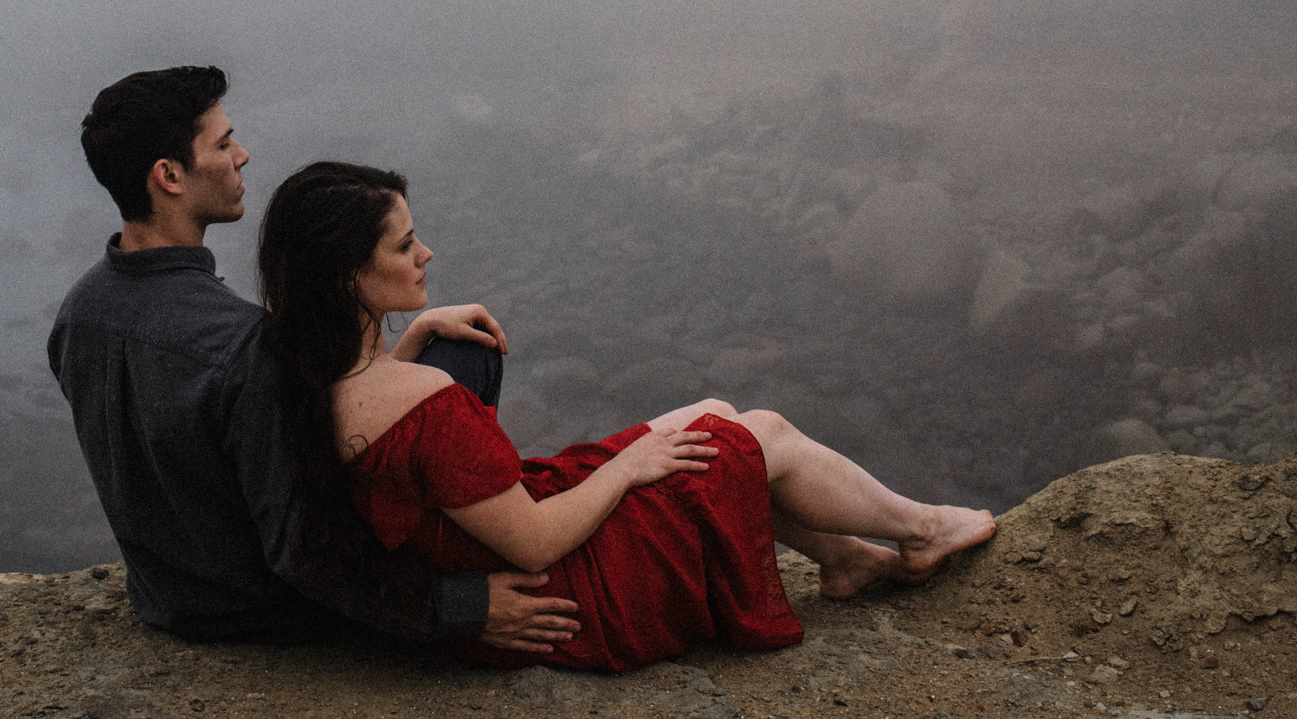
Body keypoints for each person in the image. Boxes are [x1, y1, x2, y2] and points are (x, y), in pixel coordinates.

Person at [258, 160, 999, 672]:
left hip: (473, 548)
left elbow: (385, 435)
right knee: (757, 431)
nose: (426, 252)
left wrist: (411, 340)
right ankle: (922, 530)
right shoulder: (422, 404)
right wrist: (628, 465)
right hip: (559, 597)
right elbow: (537, 542)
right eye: (403, 244)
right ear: (347, 276)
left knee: (712, 413)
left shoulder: (309, 372)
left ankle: (839, 558)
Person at [48, 66, 581, 652]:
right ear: (169, 176)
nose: (242, 155)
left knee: (442, 354)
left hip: (167, 598)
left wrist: (407, 346)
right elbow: (303, 549)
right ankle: (486, 540)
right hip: (272, 615)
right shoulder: (240, 346)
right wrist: (463, 606)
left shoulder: (78, 315)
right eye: (223, 144)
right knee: (466, 362)